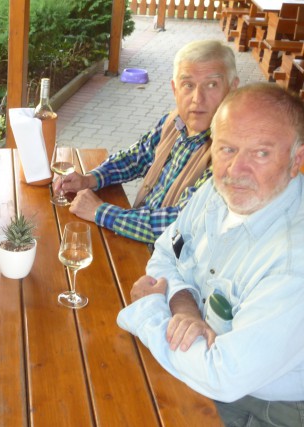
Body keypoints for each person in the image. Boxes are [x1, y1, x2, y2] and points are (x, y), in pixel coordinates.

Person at [117, 82, 304, 425]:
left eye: (260, 153)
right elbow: (165, 254)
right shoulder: (216, 194)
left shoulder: (294, 261)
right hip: (203, 359)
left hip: (271, 406)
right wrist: (184, 307)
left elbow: (223, 374)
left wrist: (149, 309)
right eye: (227, 149)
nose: (235, 170)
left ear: (297, 160)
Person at [56, 40, 239, 244]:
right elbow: (137, 157)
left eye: (211, 84)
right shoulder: (174, 122)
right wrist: (90, 179)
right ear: (175, 89)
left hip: (167, 258)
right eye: (188, 85)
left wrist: (101, 212)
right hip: (136, 234)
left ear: (232, 89)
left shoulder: (232, 155)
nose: (198, 98)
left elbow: (183, 224)